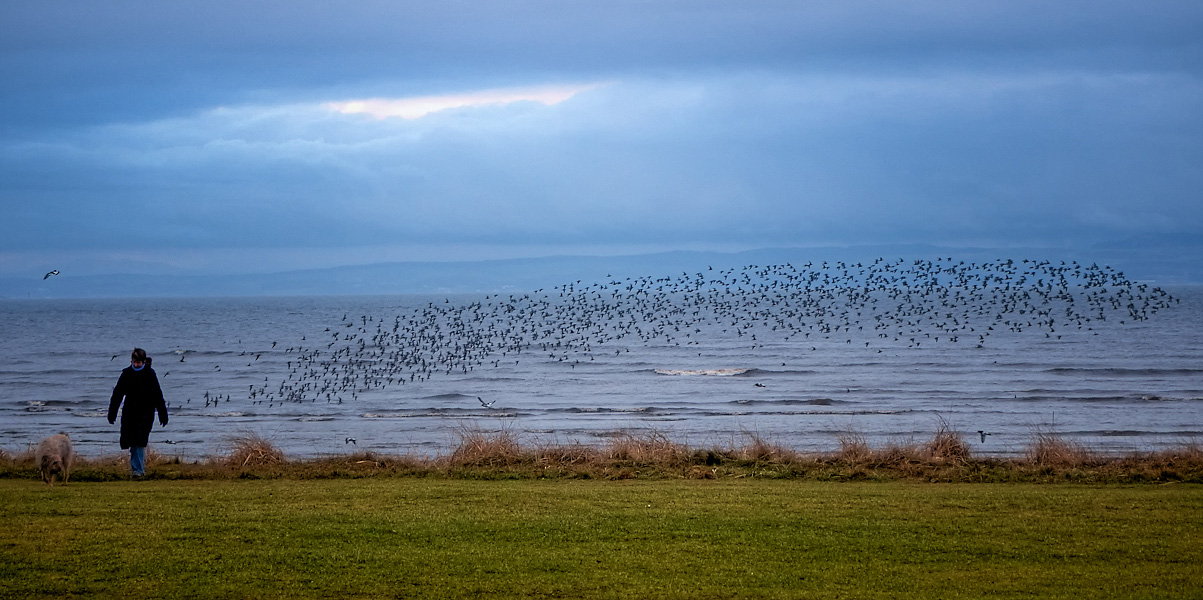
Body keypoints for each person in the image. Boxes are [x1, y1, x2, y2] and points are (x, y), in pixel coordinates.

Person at [107, 348, 168, 477]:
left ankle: (138, 471)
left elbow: (158, 395)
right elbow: (117, 394)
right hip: (130, 412)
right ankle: (136, 469)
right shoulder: (126, 374)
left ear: (144, 361)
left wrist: (163, 414)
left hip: (146, 412)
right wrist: (112, 412)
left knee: (140, 441)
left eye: (138, 362)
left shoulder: (150, 374)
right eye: (134, 362)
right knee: (130, 441)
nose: (136, 365)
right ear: (131, 361)